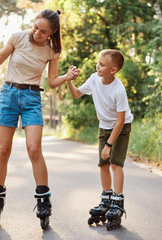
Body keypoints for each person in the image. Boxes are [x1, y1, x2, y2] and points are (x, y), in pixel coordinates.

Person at [0, 9, 80, 229]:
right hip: (8, 95)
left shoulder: (52, 50)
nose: (36, 33)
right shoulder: (18, 37)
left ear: (52, 33)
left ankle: (44, 200)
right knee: (2, 150)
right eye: (35, 27)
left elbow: (53, 81)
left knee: (34, 148)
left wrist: (69, 76)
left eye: (43, 31)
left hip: (32, 98)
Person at [66, 49, 133, 230]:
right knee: (103, 163)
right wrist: (69, 81)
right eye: (98, 62)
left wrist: (109, 145)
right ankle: (106, 198)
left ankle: (117, 201)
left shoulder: (119, 89)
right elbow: (76, 94)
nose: (98, 66)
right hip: (104, 126)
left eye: (102, 64)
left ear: (113, 70)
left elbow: (120, 121)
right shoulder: (94, 79)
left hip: (121, 128)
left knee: (115, 164)